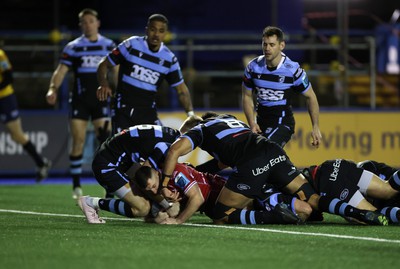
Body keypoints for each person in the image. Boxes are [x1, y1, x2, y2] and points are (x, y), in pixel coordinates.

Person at [161, 112, 388, 226]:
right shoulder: (229, 121)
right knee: (313, 198)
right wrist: (198, 170)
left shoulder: (199, 130)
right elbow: (220, 164)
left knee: (221, 215)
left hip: (253, 163)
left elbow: (173, 152)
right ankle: (357, 213)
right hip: (273, 151)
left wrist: (164, 183)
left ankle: (271, 216)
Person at [46, 8, 117, 199]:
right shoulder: (73, 47)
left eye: (91, 21)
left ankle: (109, 186)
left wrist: (117, 90)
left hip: (101, 100)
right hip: (80, 100)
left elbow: (117, 71)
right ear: (80, 25)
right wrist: (53, 89)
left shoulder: (109, 45)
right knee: (78, 141)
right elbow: (61, 71)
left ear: (98, 23)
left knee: (105, 143)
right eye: (84, 22)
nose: (88, 24)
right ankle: (76, 186)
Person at [78, 116, 201, 224]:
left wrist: (163, 201)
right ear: (190, 134)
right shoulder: (167, 146)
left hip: (120, 159)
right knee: (142, 208)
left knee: (151, 192)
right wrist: (165, 202)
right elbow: (144, 175)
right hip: (107, 165)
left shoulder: (169, 135)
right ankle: (91, 203)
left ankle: (155, 212)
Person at [96, 13, 194, 134]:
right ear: (146, 30)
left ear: (165, 33)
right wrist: (103, 83)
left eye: (161, 31)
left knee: (164, 148)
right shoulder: (132, 44)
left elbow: (181, 89)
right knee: (124, 149)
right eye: (153, 30)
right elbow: (104, 64)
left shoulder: (169, 59)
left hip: (148, 113)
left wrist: (190, 114)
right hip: (123, 110)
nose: (156, 34)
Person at [135, 163, 310, 225]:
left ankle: (276, 211)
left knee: (305, 209)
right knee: (222, 218)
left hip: (226, 194)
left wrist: (178, 220)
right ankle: (276, 214)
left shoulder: (175, 172)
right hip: (218, 201)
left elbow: (198, 198)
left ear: (157, 173)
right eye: (149, 190)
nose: (153, 191)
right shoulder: (164, 183)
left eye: (153, 186)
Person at [242, 26, 322, 148]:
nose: (267, 49)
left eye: (272, 45)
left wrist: (315, 126)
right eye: (265, 44)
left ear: (282, 45)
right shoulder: (253, 67)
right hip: (261, 121)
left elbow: (311, 97)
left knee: (265, 150)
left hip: (283, 122)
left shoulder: (293, 70)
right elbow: (247, 96)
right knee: (247, 156)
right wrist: (252, 123)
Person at [0, 49, 51, 182]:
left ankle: (41, 163)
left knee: (17, 134)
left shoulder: (0, 55)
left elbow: (9, 77)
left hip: (5, 98)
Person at [300, 159, 400, 224]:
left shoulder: (291, 190)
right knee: (389, 189)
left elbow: (306, 209)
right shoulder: (295, 177)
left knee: (375, 216)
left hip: (329, 182)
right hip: (337, 165)